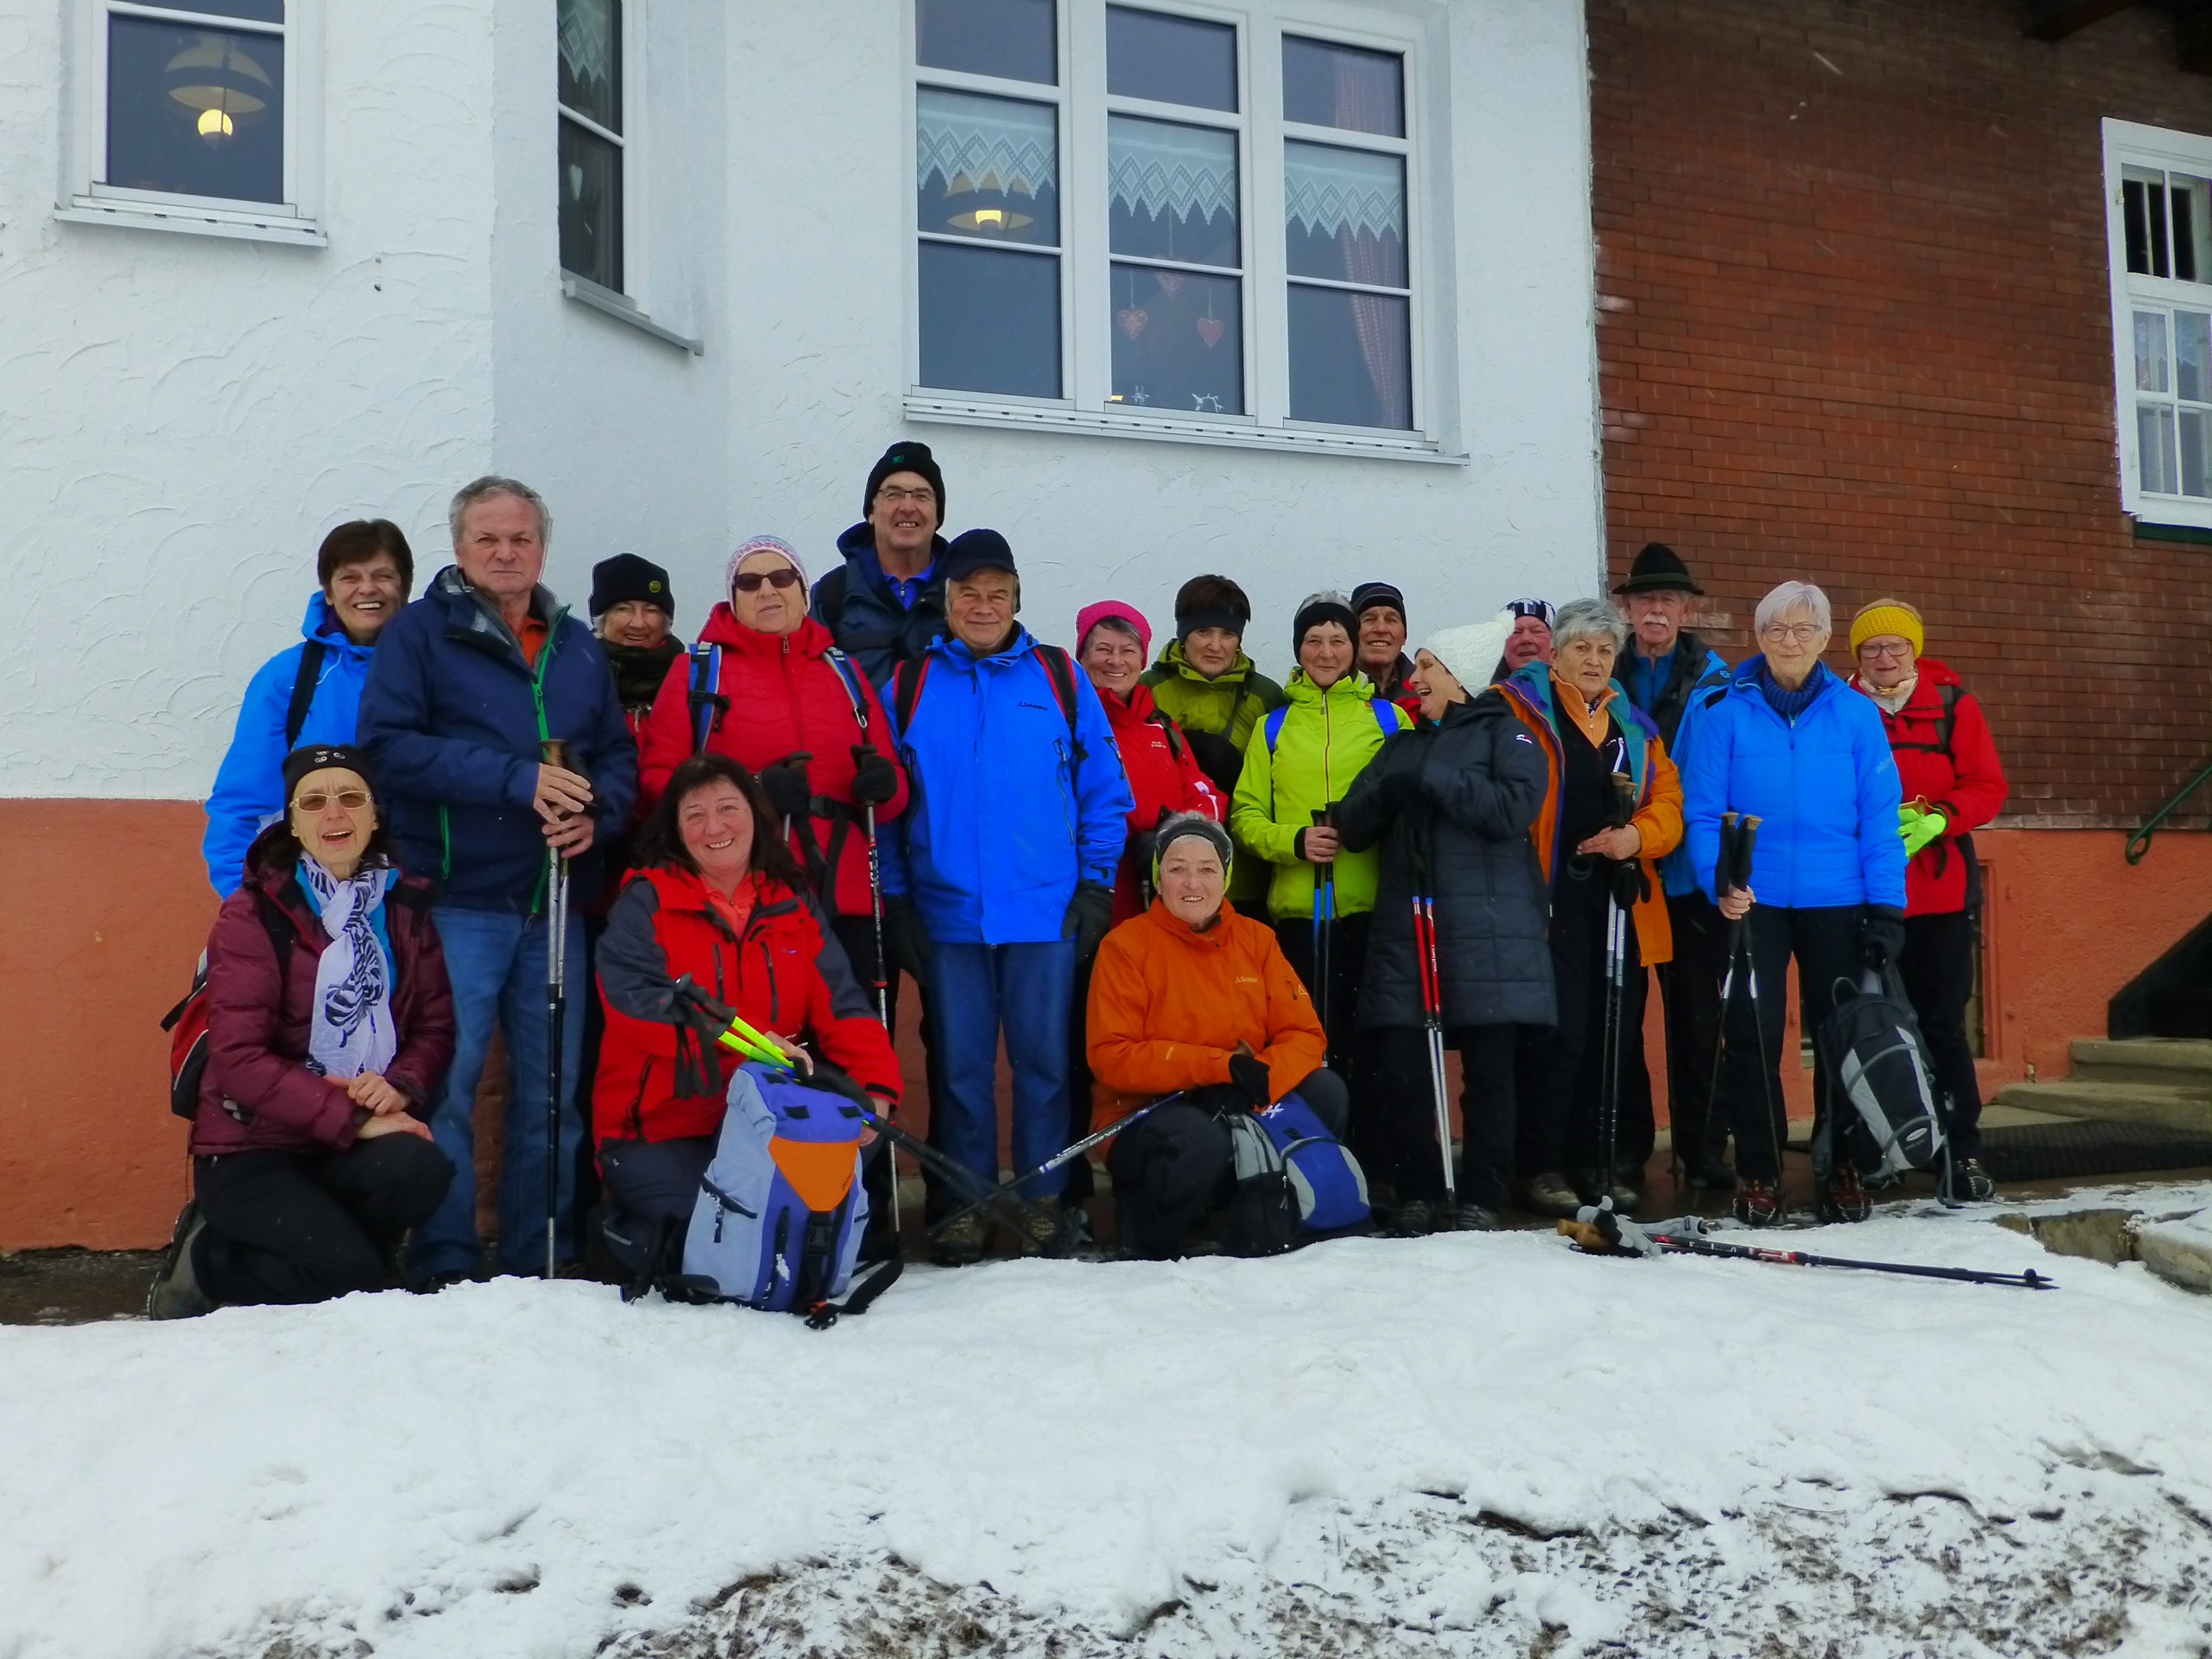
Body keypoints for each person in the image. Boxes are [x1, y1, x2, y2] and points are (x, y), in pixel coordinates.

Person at [357, 476, 639, 1285]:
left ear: (542, 548)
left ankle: (535, 1261)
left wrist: (601, 816)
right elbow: (389, 746)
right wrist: (515, 780)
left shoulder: (577, 645)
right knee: (448, 1086)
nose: (506, 552)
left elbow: (617, 755)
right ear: (459, 551)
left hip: (557, 899)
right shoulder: (419, 635)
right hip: (456, 898)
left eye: (520, 538)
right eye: (489, 539)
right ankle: (445, 1261)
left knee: (553, 1093)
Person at [883, 530, 1134, 1264]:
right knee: (958, 1071)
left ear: (1017, 598)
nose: (983, 606)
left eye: (998, 593)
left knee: (1044, 1067)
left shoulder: (1058, 677)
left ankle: (1042, 1203)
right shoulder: (911, 684)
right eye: (969, 593)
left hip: (1045, 912)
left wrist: (1093, 885)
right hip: (947, 916)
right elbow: (891, 807)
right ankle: (961, 1204)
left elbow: (1104, 794)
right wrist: (898, 901)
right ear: (947, 600)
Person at [149, 745, 455, 1317]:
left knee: (420, 1170)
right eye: (313, 802)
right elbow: (238, 1060)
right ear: (293, 821)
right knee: (353, 1281)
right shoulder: (253, 913)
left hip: (342, 1143)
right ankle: (212, 1256)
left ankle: (341, 1266)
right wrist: (357, 1119)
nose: (334, 815)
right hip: (252, 1147)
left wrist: (402, 1086)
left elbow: (435, 1024)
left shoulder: (404, 908)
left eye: (350, 798)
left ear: (374, 814)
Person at [590, 754, 901, 1268]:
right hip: (662, 1129)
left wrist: (877, 1092)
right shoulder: (644, 903)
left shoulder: (792, 901)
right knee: (725, 1232)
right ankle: (623, 1231)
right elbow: (642, 1007)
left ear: (755, 816)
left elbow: (845, 1008)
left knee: (786, 1220)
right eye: (694, 815)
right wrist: (747, 1040)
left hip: (767, 1121)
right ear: (675, 829)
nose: (714, 827)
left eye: (727, 808)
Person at [1682, 581, 1906, 1228]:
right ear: (1757, 638)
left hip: (1840, 900)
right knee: (1750, 1037)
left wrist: (1887, 908)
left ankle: (1844, 1165)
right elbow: (1701, 812)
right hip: (1753, 904)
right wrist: (1718, 881)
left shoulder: (1857, 714)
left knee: (1841, 1040)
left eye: (1803, 629)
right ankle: (1759, 1170)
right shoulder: (1723, 710)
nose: (1789, 640)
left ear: (1825, 639)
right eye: (1776, 629)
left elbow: (1879, 819)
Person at [1336, 614, 1551, 1232]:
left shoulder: (1506, 735)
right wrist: (1392, 787)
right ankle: (1419, 1187)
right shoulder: (1400, 743)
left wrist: (1432, 779)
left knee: (1489, 1073)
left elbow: (1513, 809)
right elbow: (1352, 825)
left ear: (1459, 678)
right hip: (1411, 931)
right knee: (1402, 1069)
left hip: (1489, 933)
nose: (1416, 676)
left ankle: (1482, 1189)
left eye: (1428, 666)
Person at [639, 535, 907, 1009]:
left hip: (845, 899)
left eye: (782, 577)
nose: (767, 591)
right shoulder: (698, 673)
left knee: (853, 1045)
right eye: (749, 582)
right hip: (743, 899)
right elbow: (659, 782)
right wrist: (754, 792)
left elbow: (893, 793)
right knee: (767, 1048)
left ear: (803, 592)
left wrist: (884, 786)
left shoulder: (843, 671)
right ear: (733, 598)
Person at [1085, 815, 1346, 1259]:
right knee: (1200, 1140)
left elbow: (1304, 1033)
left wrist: (1258, 1078)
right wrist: (1217, 1070)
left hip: (1240, 1095)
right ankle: (1148, 1234)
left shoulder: (1257, 940)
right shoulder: (1125, 946)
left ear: (1226, 877)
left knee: (1326, 1091)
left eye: (1207, 869)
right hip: (1148, 1111)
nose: (1193, 882)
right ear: (1158, 878)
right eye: (1177, 868)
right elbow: (1113, 1056)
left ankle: (1277, 1211)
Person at [1498, 598, 1683, 1217]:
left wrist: (1637, 838)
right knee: (1558, 1035)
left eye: (1606, 651)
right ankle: (1542, 1163)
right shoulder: (1524, 710)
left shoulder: (1633, 725)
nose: (1595, 660)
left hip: (1620, 902)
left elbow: (1668, 802)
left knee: (1615, 1034)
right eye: (1583, 648)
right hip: (1550, 900)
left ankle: (1602, 1160)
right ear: (1556, 652)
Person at [1229, 591, 1411, 1158]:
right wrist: (1295, 842)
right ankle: (1310, 1158)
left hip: (1372, 913)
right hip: (1297, 917)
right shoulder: (1274, 727)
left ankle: (1377, 1161)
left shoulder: (1389, 718)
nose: (1326, 651)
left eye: (1337, 640)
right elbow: (1245, 815)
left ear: (1355, 649)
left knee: (1373, 1048)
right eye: (1313, 640)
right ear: (1297, 649)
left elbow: (1408, 809)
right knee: (1305, 1047)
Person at [1847, 598, 2007, 1202]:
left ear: (1914, 650)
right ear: (1856, 657)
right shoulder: (1841, 706)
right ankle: (1871, 1151)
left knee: (1941, 1026)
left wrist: (1940, 818)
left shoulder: (1953, 707)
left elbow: (1988, 787)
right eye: (1871, 649)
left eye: (1896, 647)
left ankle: (1961, 1151)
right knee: (1868, 1027)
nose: (1885, 658)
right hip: (1862, 892)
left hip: (1939, 895)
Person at [1611, 542, 1735, 1190]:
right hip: (1625, 877)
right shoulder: (1601, 672)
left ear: (1687, 609)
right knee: (1623, 1018)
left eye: (1667, 600)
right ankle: (1628, 1148)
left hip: (1689, 876)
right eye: (1643, 600)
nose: (1655, 610)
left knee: (1696, 1021)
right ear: (1626, 609)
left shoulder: (1720, 681)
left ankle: (1702, 1147)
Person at [204, 520, 415, 896]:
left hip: (418, 897)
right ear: (329, 592)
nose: (368, 589)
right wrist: (244, 902)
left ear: (405, 588)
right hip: (313, 896)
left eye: (384, 575)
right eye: (350, 577)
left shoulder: (436, 670)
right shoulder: (288, 678)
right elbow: (242, 800)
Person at [1140, 574, 1288, 913]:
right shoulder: (1147, 691)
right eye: (1203, 632)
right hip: (1169, 874)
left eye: (1228, 634)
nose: (1215, 645)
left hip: (1247, 879)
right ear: (1183, 633)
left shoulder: (1266, 696)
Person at [1074, 599, 1224, 923]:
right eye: (1103, 649)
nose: (1116, 661)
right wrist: (1144, 824)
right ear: (1082, 657)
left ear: (1142, 660)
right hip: (1093, 894)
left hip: (1163, 898)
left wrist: (1182, 829)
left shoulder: (1160, 727)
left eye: (1129, 650)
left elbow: (1205, 793)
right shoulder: (1068, 724)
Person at [811, 441, 950, 693]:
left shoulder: (962, 593)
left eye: (922, 496)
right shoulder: (832, 596)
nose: (908, 507)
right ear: (871, 513)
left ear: (937, 515)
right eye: (893, 494)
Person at [591, 554, 684, 746]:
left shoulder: (690, 681)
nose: (639, 623)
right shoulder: (577, 675)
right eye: (623, 609)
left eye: (651, 611)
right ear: (602, 620)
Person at [1351, 581, 1419, 717]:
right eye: (1369, 619)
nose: (1381, 629)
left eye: (1391, 620)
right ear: (1351, 634)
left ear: (1404, 637)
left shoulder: (1426, 693)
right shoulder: (1331, 691)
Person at [1494, 598, 1556, 679]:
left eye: (1537, 631)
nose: (1526, 639)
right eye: (1516, 632)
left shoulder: (1574, 688)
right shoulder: (1481, 689)